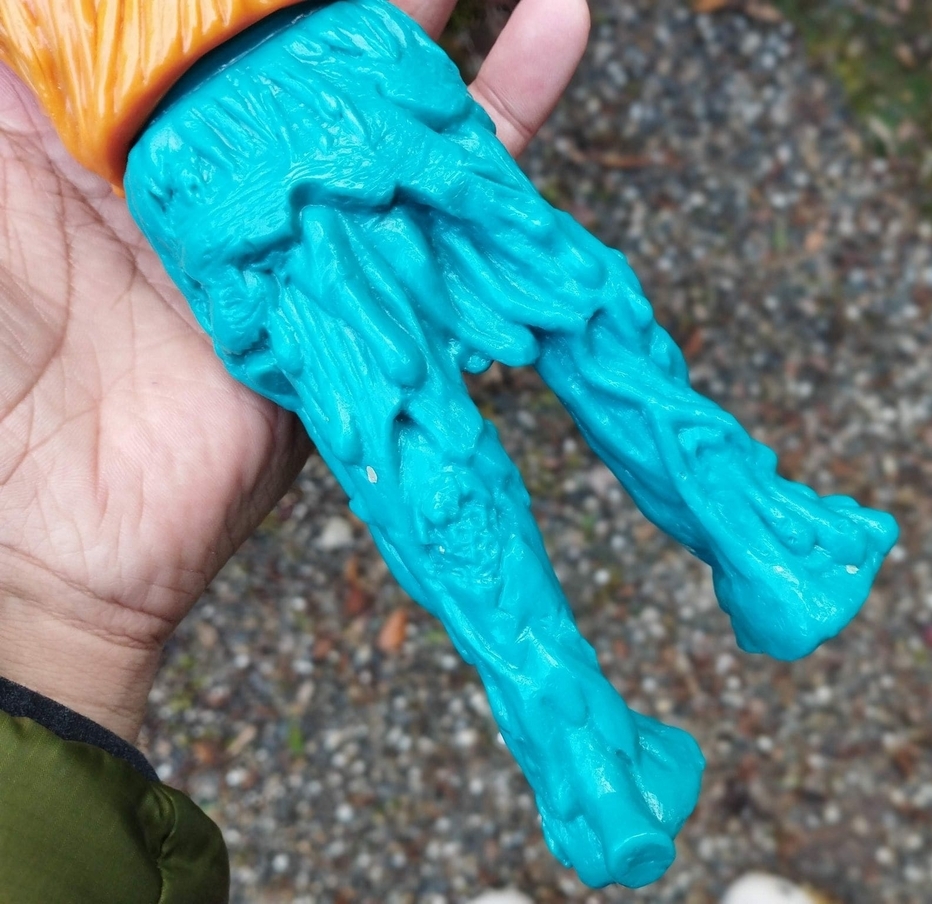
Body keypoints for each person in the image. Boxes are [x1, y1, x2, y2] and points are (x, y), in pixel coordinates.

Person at [0, 0, 589, 900]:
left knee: (416, 424)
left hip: (188, 134)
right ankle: (590, 743)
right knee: (443, 399)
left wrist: (44, 620)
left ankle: (586, 747)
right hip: (221, 121)